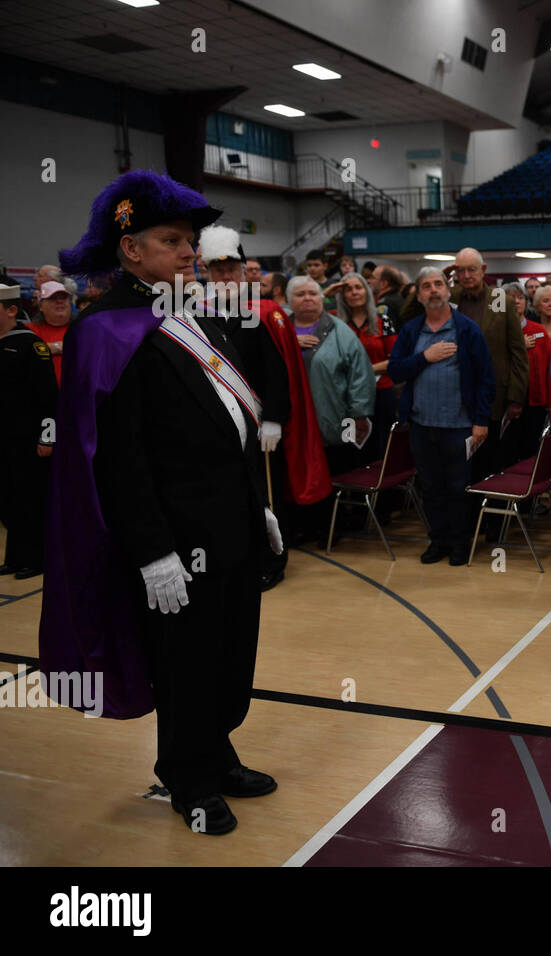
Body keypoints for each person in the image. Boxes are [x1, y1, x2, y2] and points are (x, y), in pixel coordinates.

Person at [40, 169, 283, 836]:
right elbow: (117, 458)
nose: (188, 253)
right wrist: (152, 552)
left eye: (190, 242)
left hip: (230, 521)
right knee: (187, 664)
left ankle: (219, 754)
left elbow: (230, 421)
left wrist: (255, 503)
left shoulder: (193, 316)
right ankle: (188, 778)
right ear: (131, 250)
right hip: (177, 540)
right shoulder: (107, 330)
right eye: (173, 241)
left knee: (232, 654)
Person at [197, 225, 299, 590]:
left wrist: (273, 419)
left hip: (255, 423)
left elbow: (276, 372)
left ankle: (273, 558)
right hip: (215, 425)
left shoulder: (258, 315)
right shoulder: (195, 316)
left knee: (264, 493)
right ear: (207, 274)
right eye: (218, 270)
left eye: (231, 270)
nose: (226, 276)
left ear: (242, 273)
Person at [387, 267, 494, 566]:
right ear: (419, 296)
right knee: (431, 488)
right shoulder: (411, 331)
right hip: (422, 426)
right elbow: (395, 370)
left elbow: (486, 378)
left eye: (438, 284)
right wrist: (425, 357)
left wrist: (481, 421)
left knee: (458, 489)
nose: (433, 290)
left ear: (448, 291)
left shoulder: (467, 329)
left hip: (459, 426)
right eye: (426, 286)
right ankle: (438, 541)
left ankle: (460, 544)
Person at [448, 247, 529, 481]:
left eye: (471, 270)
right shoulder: (450, 298)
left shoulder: (499, 299)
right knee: (460, 466)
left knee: (489, 464)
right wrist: (443, 277)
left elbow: (518, 352)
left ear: (483, 270)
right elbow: (410, 312)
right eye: (460, 271)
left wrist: (516, 398)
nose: (466, 276)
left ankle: (488, 514)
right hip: (457, 397)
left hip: (494, 397)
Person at [287, 275, 376, 477]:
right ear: (289, 301)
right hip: (292, 426)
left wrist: (359, 413)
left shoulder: (341, 332)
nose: (307, 298)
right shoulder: (281, 331)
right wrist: (290, 341)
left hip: (336, 424)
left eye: (312, 293)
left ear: (321, 298)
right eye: (300, 294)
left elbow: (360, 375)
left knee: (341, 472)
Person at [0, 282, 57, 579]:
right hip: (4, 438)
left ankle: (36, 559)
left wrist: (48, 436)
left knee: (30, 500)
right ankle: (15, 558)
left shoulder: (29, 344)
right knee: (8, 499)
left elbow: (49, 395)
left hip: (28, 438)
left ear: (11, 310)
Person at [333, 273, 398, 462]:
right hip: (346, 397)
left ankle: (381, 490)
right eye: (348, 289)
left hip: (380, 394)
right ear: (342, 295)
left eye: (358, 287)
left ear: (367, 291)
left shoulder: (382, 320)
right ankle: (352, 491)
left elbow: (395, 360)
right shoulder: (334, 322)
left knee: (381, 448)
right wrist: (326, 292)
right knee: (350, 448)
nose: (354, 292)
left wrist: (363, 371)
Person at [518, 291, 551, 459]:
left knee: (534, 449)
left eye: (520, 298)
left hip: (536, 400)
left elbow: (549, 368)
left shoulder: (539, 331)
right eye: (545, 301)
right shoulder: (501, 331)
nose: (516, 302)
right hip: (510, 401)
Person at [31, 280, 74, 385]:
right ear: (41, 306)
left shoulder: (83, 329)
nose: (59, 301)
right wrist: (59, 347)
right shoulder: (29, 331)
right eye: (52, 298)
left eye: (63, 297)